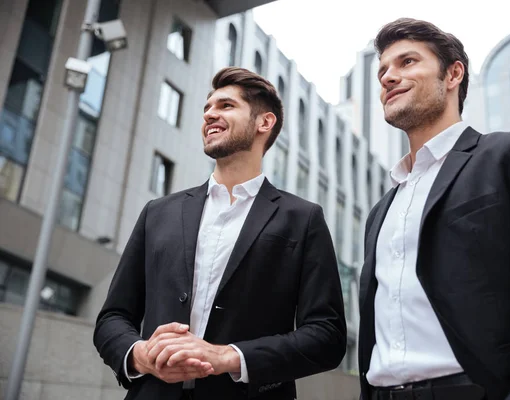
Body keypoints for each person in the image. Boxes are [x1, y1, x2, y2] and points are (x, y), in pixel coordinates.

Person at [358, 17, 510, 400]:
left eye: (407, 62)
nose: (387, 77)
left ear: (453, 74)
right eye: (383, 70)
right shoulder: (381, 210)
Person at [94, 67, 346, 400]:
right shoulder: (158, 212)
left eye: (226, 106)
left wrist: (229, 357)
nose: (210, 113)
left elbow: (327, 335)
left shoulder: (303, 218)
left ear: (264, 123)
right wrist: (140, 355)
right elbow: (113, 316)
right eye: (207, 108)